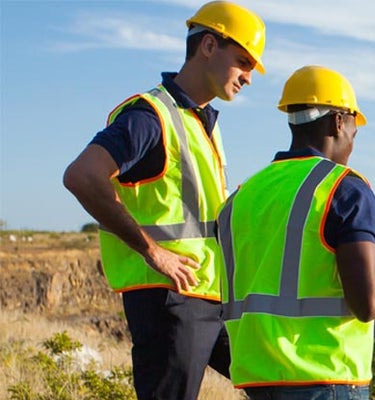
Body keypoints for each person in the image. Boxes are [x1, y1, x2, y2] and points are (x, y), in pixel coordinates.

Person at [61, 2, 266, 399]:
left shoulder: (201, 121)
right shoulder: (150, 115)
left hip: (209, 294)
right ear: (208, 46)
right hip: (170, 298)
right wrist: (154, 252)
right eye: (243, 62)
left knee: (274, 383)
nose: (248, 77)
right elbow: (82, 176)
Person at [215, 65, 375, 400]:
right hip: (325, 382)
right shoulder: (343, 188)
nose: (352, 140)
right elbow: (370, 302)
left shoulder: (242, 196)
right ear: (339, 121)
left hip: (258, 381)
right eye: (354, 129)